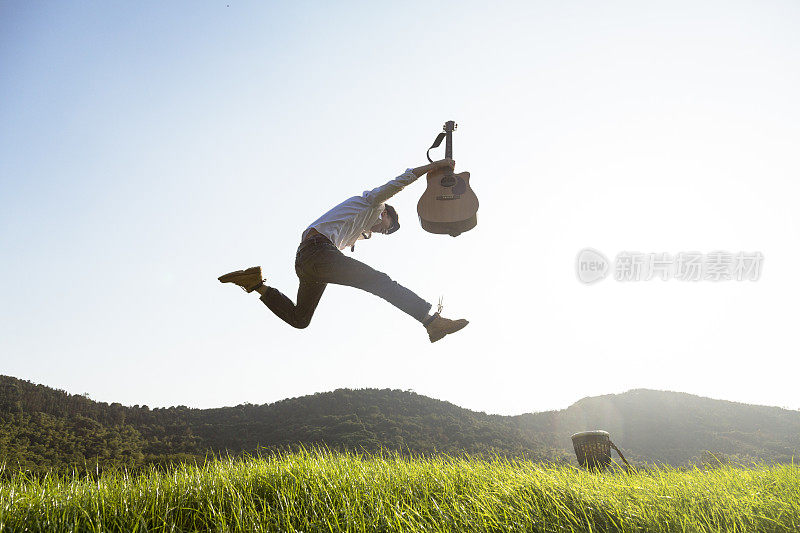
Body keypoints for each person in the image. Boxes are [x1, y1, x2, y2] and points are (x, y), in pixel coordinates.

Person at [218, 159, 468, 343]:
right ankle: (432, 322)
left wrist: (452, 224)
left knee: (300, 319)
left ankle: (256, 283)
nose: (384, 232)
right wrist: (435, 167)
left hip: (308, 262)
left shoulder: (352, 229)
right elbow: (400, 181)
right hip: (318, 254)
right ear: (385, 213)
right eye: (388, 228)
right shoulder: (373, 203)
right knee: (381, 282)